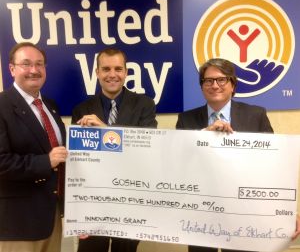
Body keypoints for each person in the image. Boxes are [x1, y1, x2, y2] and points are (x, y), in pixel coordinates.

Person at [176, 58, 300, 252]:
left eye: (221, 80)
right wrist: (202, 138)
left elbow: (273, 166)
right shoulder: (186, 119)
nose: (214, 85)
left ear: (233, 85)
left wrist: (287, 210)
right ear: (202, 86)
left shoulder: (256, 115)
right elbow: (178, 163)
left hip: (245, 214)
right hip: (201, 215)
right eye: (208, 81)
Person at [72, 47, 157, 252]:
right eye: (106, 69)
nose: (112, 74)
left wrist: (106, 131)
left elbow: (146, 148)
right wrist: (77, 210)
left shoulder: (145, 105)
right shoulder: (81, 109)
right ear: (97, 73)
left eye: (118, 68)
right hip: (94, 202)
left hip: (130, 199)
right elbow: (78, 164)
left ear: (126, 72)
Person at [0, 42, 68, 252]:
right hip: (20, 221)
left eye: (39, 64)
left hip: (52, 216)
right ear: (12, 69)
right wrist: (45, 161)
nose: (34, 70)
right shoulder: (2, 105)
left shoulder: (51, 106)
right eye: (26, 64)